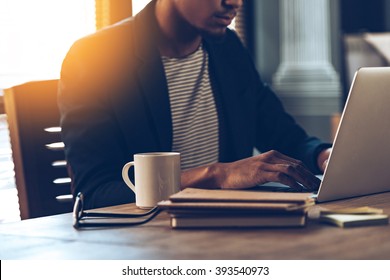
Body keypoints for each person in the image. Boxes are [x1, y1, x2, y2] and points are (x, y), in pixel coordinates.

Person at [58, 0, 332, 209]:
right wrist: (217, 175)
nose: (234, 2)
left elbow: (283, 136)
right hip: (146, 241)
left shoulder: (228, 48)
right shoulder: (94, 57)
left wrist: (325, 156)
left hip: (228, 231)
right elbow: (94, 193)